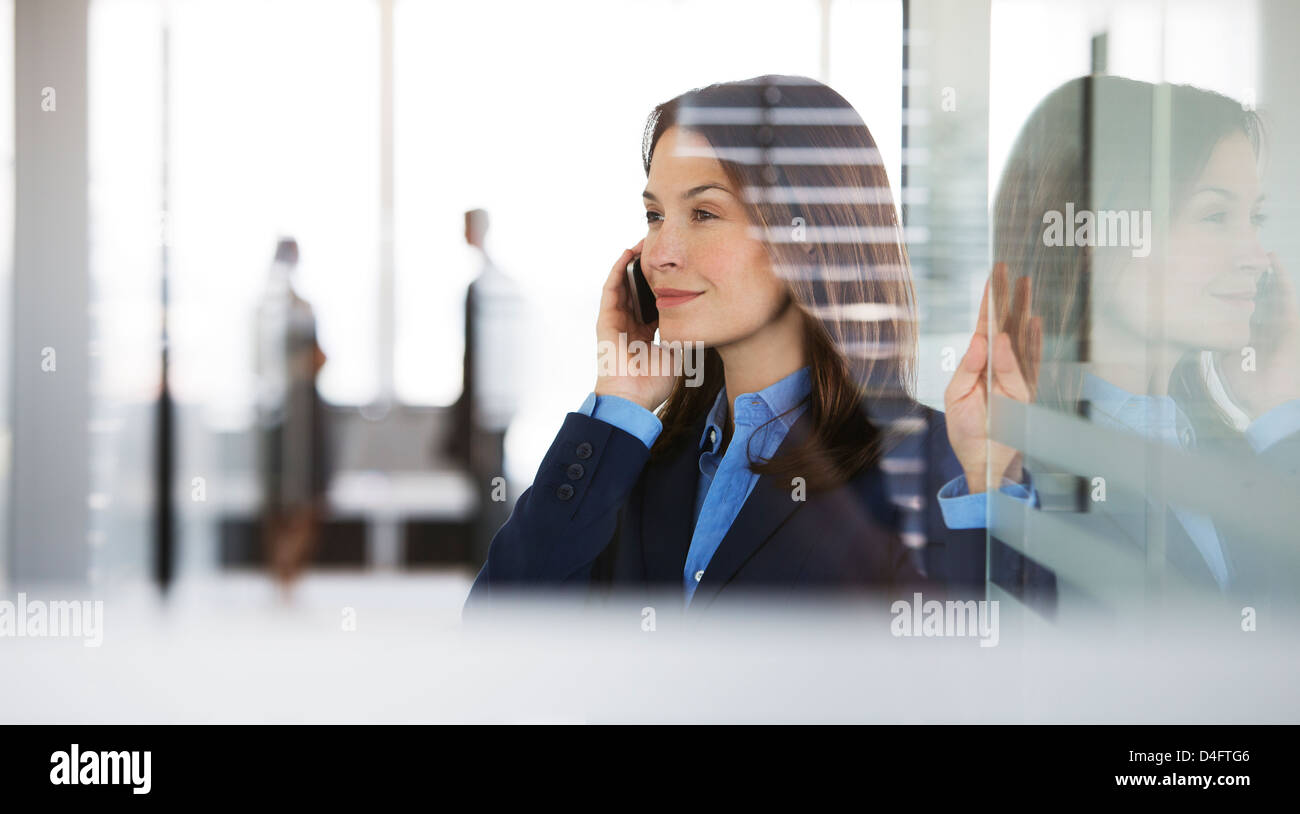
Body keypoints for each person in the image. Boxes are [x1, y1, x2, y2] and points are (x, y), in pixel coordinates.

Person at [463, 75, 1032, 619]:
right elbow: (501, 630)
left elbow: (993, 681)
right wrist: (618, 403)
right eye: (655, 215)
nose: (660, 251)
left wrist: (989, 489)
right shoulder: (629, 459)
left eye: (704, 213)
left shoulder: (932, 466)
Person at [947, 76, 1300, 612]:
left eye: (1254, 218)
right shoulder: (1022, 466)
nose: (1255, 254)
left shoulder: (1247, 451)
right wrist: (991, 482)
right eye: (1214, 216)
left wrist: (1277, 412)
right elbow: (989, 663)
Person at [444, 209, 525, 564]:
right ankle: (492, 558)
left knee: (491, 483)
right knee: (489, 482)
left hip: (488, 405)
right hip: (489, 402)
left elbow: (485, 354)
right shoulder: (491, 283)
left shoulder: (489, 287)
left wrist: (481, 402)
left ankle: (492, 558)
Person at [255, 237, 332, 589]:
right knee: (277, 495)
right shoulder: (265, 311)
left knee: (312, 495)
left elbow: (319, 358)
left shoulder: (305, 308)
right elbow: (259, 365)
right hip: (278, 414)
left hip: (306, 412)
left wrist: (302, 368)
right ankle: (280, 569)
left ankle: (291, 568)